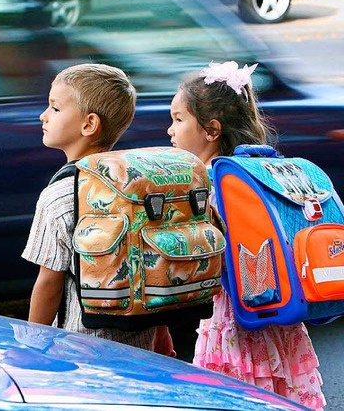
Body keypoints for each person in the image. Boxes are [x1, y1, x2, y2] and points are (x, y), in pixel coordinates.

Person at [167, 60, 326, 410]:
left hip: (234, 319)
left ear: (211, 129)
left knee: (237, 395)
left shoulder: (207, 185)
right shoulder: (261, 170)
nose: (170, 130)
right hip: (278, 313)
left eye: (178, 119)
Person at [22, 63, 174, 356]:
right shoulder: (140, 188)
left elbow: (49, 284)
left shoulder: (61, 196)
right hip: (139, 346)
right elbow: (153, 268)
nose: (43, 115)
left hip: (78, 350)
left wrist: (30, 346)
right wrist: (162, 331)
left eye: (55, 108)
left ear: (89, 124)